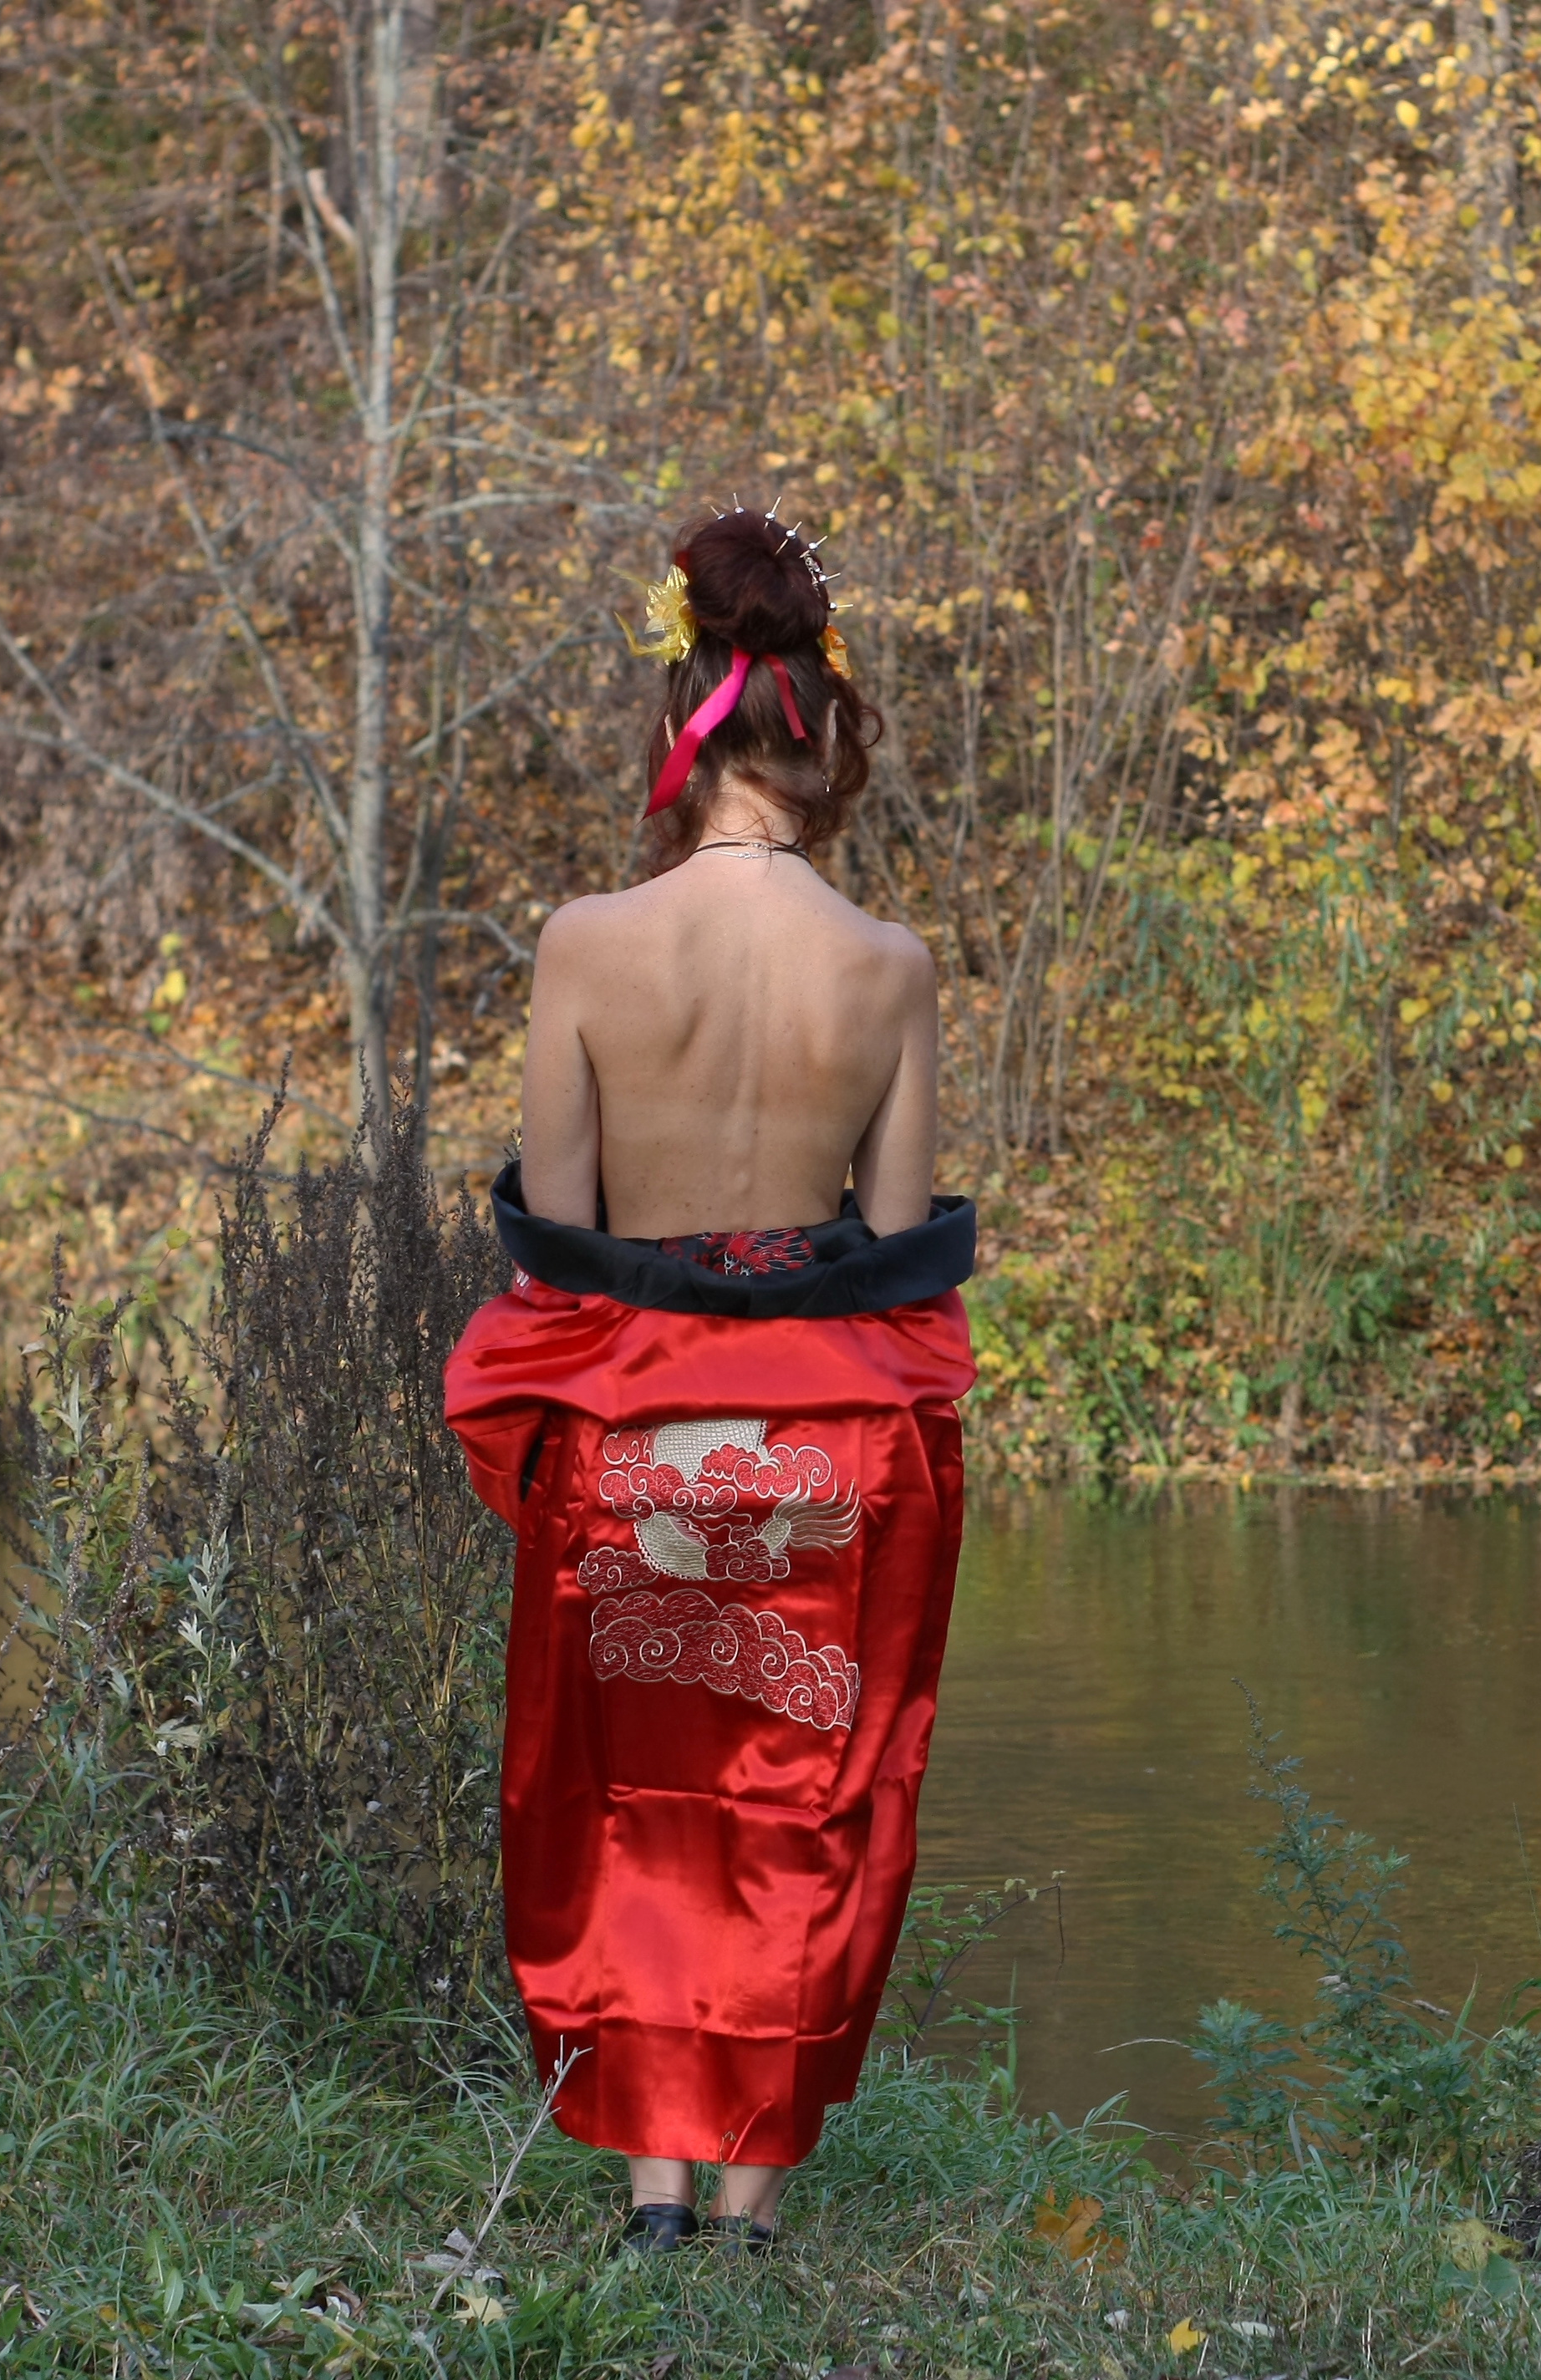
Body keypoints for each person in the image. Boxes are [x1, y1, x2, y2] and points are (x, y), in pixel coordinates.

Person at [441, 508, 974, 2255]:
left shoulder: (586, 942)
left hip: (637, 1429)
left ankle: (655, 2197)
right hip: (828, 1446)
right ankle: (748, 2204)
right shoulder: (889, 969)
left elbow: (560, 1244)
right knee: (807, 1805)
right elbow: (892, 1256)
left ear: (687, 712)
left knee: (636, 1806)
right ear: (821, 730)